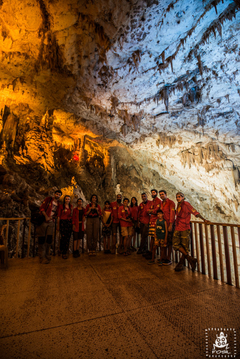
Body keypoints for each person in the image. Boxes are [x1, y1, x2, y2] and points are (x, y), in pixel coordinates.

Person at [173, 192, 209, 272]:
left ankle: (181, 264)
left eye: (179, 197)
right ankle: (191, 259)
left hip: (185, 228)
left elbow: (195, 212)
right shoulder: (178, 205)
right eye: (177, 197)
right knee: (175, 244)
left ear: (183, 197)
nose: (177, 198)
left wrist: (204, 219)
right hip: (178, 227)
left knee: (185, 247)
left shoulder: (186, 204)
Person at [37, 189, 62, 264]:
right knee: (41, 239)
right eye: (57, 194)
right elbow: (42, 208)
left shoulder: (58, 204)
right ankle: (42, 257)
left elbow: (57, 214)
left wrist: (51, 218)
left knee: (49, 239)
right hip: (44, 222)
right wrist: (46, 216)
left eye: (59, 194)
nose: (57, 195)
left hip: (51, 223)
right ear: (54, 194)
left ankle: (47, 255)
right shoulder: (48, 199)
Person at [159, 190, 175, 265]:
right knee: (164, 241)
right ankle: (164, 257)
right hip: (163, 225)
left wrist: (171, 224)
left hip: (169, 225)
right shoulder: (161, 203)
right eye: (160, 195)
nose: (161, 196)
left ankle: (168, 258)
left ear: (166, 194)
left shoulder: (171, 203)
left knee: (169, 242)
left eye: (162, 194)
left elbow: (172, 214)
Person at [144, 189, 161, 260]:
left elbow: (156, 211)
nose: (153, 194)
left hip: (156, 222)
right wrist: (151, 211)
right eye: (152, 193)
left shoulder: (158, 201)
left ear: (156, 193)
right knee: (151, 237)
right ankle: (151, 251)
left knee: (154, 237)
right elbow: (148, 210)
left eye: (154, 192)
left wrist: (152, 211)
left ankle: (153, 253)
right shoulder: (152, 201)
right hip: (151, 221)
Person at [57, 195, 73, 259]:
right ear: (64, 200)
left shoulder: (71, 206)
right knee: (63, 238)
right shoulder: (61, 206)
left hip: (69, 223)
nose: (67, 200)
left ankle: (64, 251)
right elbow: (59, 216)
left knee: (68, 238)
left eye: (68, 199)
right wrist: (58, 225)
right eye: (66, 199)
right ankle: (62, 251)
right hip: (63, 223)